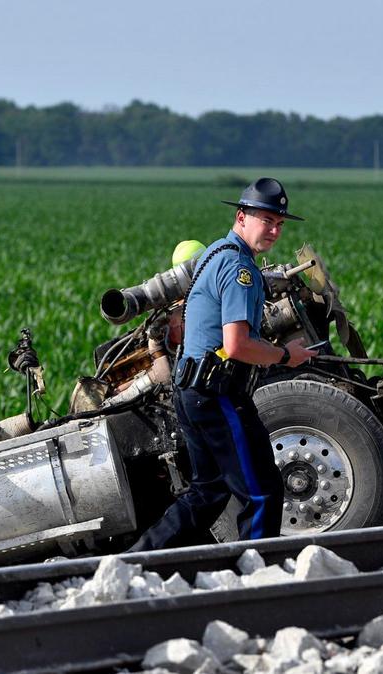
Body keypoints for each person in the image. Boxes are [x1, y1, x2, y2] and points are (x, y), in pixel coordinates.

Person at [128, 178, 317, 551]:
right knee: (261, 491)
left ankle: (135, 561)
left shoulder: (217, 251)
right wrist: (285, 355)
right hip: (218, 395)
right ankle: (257, 573)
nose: (275, 230)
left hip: (191, 391)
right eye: (267, 220)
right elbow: (236, 345)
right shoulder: (239, 269)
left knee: (208, 493)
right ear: (241, 217)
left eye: (280, 223)